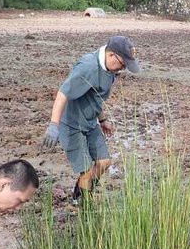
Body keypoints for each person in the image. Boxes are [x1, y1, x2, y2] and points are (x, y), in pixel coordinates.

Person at [41, 35, 141, 204]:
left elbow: (96, 96)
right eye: (122, 64)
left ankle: (79, 194)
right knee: (86, 170)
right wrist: (53, 125)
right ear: (111, 55)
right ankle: (84, 206)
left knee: (104, 162)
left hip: (89, 122)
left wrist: (103, 121)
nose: (122, 69)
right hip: (72, 124)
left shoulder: (110, 70)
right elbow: (62, 93)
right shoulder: (87, 67)